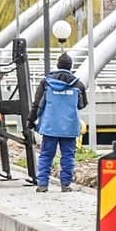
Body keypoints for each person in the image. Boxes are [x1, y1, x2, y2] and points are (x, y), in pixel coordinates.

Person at [33, 54, 88, 193]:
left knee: (46, 155)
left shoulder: (46, 83)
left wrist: (30, 120)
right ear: (71, 66)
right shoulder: (78, 84)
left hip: (50, 126)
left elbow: (37, 104)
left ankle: (43, 184)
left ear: (57, 65)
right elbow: (82, 105)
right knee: (68, 156)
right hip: (69, 127)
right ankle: (65, 185)